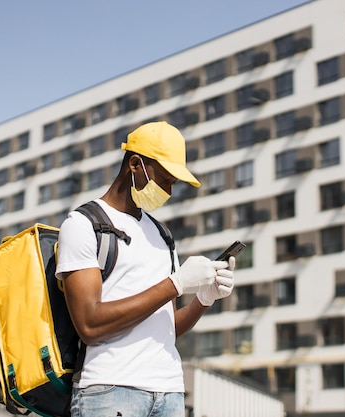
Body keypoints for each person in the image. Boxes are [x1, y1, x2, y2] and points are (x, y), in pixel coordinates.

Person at [55, 121, 237, 417]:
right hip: (110, 392)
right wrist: (175, 284)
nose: (168, 190)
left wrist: (204, 299)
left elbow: (166, 330)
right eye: (165, 179)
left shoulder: (162, 234)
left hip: (170, 393)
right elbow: (89, 325)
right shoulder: (83, 224)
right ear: (136, 164)